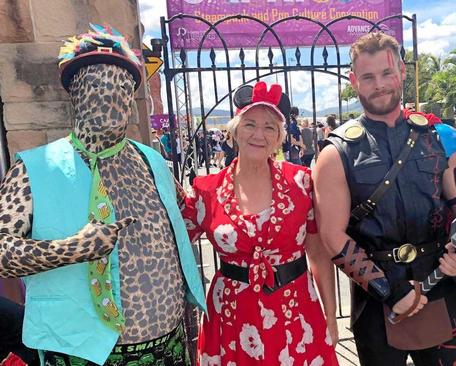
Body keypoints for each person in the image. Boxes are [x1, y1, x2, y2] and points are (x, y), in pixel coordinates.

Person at [0, 24, 206, 366]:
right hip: (81, 354)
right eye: (97, 85)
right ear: (75, 94)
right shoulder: (34, 168)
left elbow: (185, 221)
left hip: (167, 349)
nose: (111, 97)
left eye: (123, 88)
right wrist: (69, 249)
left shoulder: (153, 161)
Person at [313, 32, 456, 366]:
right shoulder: (336, 152)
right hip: (377, 302)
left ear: (402, 71)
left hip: (440, 287)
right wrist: (389, 290)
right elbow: (331, 236)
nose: (380, 84)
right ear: (353, 81)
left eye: (387, 73)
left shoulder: (437, 138)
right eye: (368, 77)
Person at [181, 81, 339, 365]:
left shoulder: (301, 182)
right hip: (231, 318)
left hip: (296, 314)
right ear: (234, 130)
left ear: (279, 137)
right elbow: (173, 247)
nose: (259, 134)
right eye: (250, 124)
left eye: (269, 127)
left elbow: (317, 254)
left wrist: (331, 315)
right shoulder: (206, 191)